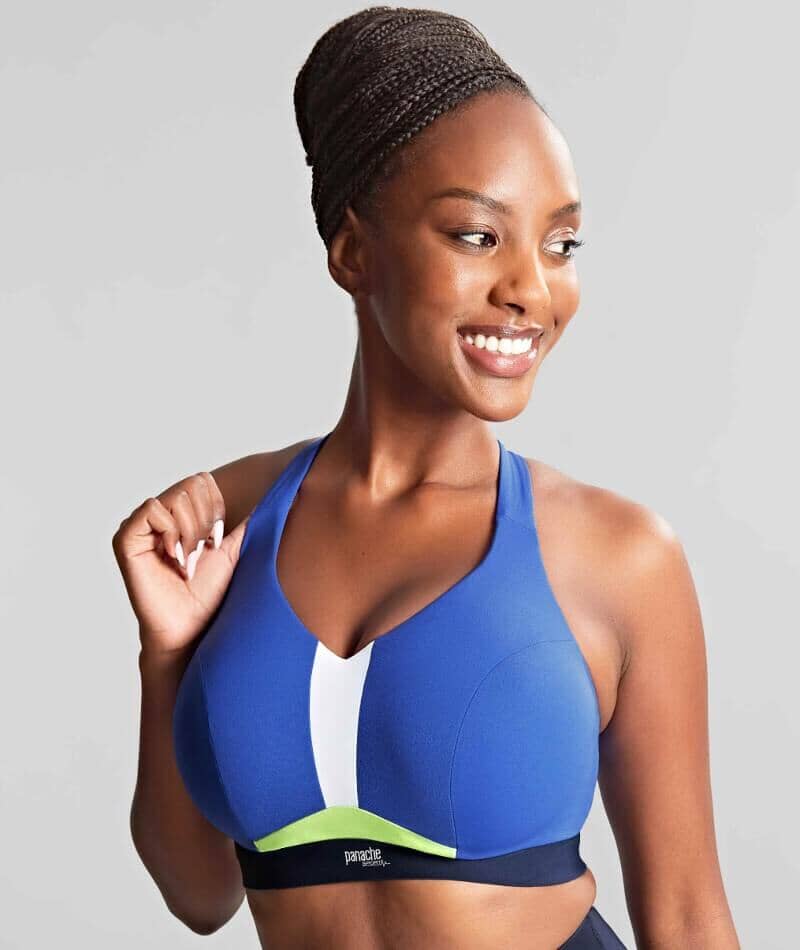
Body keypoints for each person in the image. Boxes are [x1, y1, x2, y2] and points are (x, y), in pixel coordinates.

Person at [113, 6, 740, 948]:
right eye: (479, 236)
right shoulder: (228, 521)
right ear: (354, 252)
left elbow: (688, 919)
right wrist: (166, 655)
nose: (531, 289)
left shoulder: (617, 556)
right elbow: (199, 895)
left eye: (561, 244)